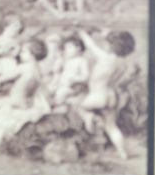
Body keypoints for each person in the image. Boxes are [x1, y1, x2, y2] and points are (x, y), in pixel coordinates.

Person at [0, 38, 51, 147]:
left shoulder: (24, 67)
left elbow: (2, 78)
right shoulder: (38, 69)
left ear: (32, 54)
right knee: (1, 102)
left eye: (23, 51)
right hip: (27, 103)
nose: (20, 54)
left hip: (17, 102)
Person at [77, 29, 137, 160]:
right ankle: (122, 152)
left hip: (98, 94)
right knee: (111, 126)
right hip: (112, 96)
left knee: (80, 107)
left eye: (107, 43)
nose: (104, 45)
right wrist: (104, 33)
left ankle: (89, 118)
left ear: (112, 46)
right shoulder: (122, 63)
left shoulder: (106, 57)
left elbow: (91, 46)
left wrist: (83, 34)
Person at [53, 35, 90, 109]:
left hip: (74, 87)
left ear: (78, 48)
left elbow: (86, 76)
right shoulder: (67, 60)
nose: (66, 50)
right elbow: (56, 70)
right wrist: (59, 59)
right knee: (53, 91)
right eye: (65, 48)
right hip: (63, 85)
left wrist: (75, 79)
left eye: (69, 47)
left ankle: (58, 107)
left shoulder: (81, 60)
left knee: (61, 93)